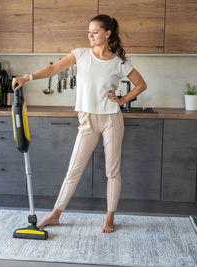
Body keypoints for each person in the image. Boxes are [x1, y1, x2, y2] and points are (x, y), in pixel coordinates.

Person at [12, 14, 147, 233]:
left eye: (95, 31)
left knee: (112, 171)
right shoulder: (81, 54)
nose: (90, 35)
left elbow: (141, 84)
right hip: (87, 119)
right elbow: (54, 69)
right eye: (89, 32)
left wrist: (122, 100)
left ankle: (109, 217)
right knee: (73, 169)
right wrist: (28, 77)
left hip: (112, 118)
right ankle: (56, 214)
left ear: (107, 33)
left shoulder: (119, 62)